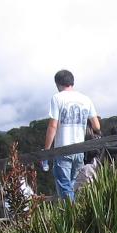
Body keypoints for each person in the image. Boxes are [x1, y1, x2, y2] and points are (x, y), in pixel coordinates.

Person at [44, 69, 101, 201]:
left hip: (63, 149)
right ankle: (76, 215)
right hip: (80, 150)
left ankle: (72, 216)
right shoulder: (85, 99)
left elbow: (53, 125)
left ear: (58, 84)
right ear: (72, 82)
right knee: (74, 185)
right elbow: (96, 126)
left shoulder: (57, 98)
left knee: (64, 188)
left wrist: (46, 150)